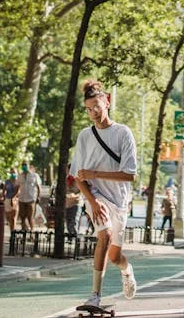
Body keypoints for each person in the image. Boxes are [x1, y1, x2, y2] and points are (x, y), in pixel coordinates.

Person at [70, 79, 138, 308]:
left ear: (107, 101)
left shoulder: (122, 133)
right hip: (94, 195)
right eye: (88, 109)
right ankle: (95, 295)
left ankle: (127, 270)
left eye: (97, 106)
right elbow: (79, 177)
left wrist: (95, 172)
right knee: (104, 234)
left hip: (119, 201)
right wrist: (92, 201)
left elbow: (130, 175)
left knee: (115, 257)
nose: (93, 113)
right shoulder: (84, 136)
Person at [16, 161, 42, 231]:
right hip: (22, 199)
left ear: (29, 165)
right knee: (22, 217)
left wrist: (38, 196)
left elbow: (38, 187)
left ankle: (32, 232)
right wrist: (15, 196)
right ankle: (24, 231)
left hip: (31, 199)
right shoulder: (20, 176)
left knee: (30, 217)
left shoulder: (34, 175)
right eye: (23, 165)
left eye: (25, 165)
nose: (24, 166)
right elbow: (18, 187)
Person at [3, 167, 19, 232]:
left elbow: (18, 191)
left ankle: (13, 232)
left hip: (15, 200)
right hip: (7, 200)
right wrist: (2, 197)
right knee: (8, 217)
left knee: (13, 217)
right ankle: (11, 230)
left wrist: (13, 198)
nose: (13, 174)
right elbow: (4, 191)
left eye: (14, 172)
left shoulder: (18, 182)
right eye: (11, 172)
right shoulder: (7, 182)